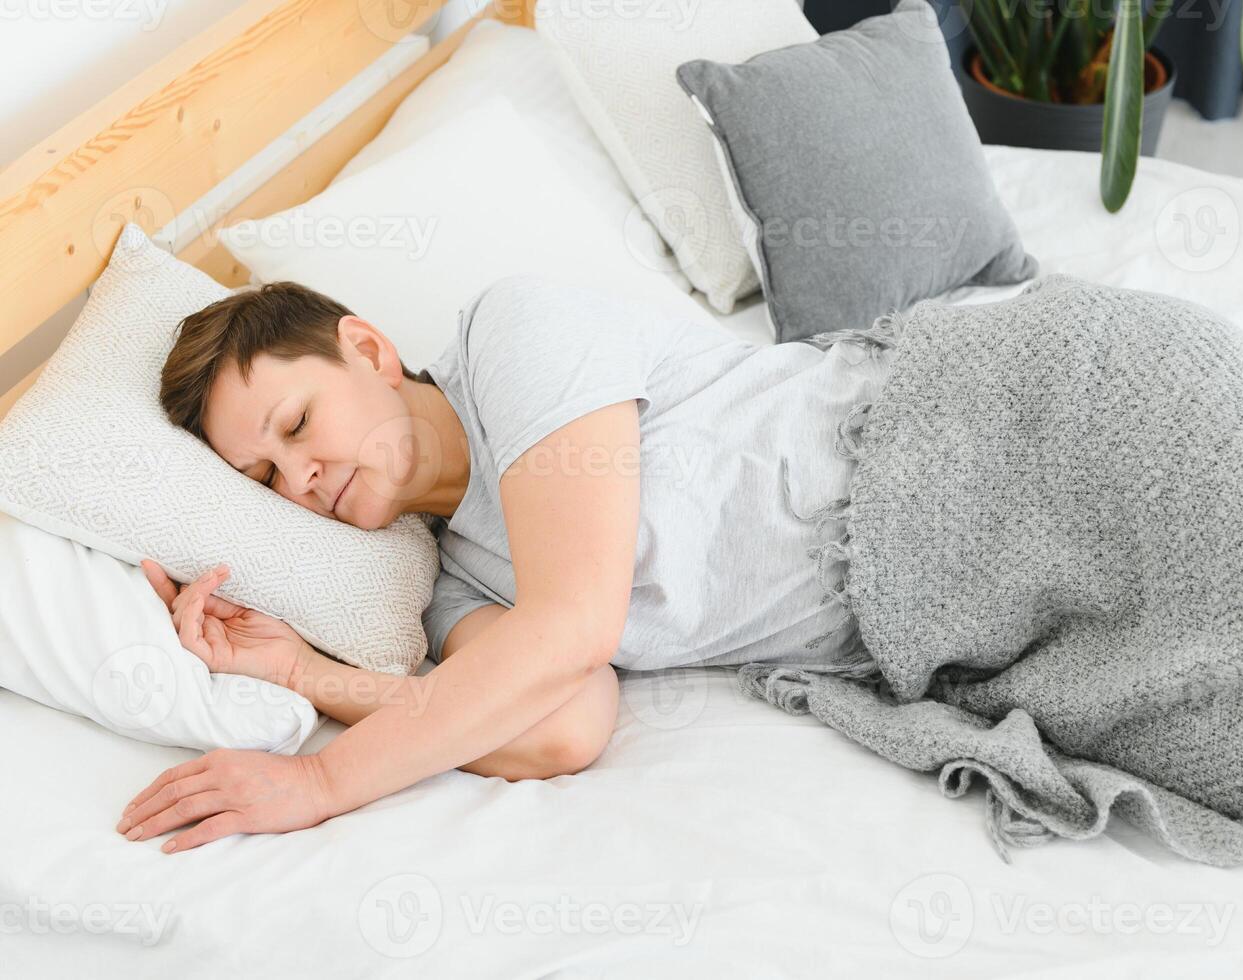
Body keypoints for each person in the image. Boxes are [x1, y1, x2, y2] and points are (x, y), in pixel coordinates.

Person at [115, 274, 892, 853]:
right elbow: (559, 730)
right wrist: (299, 672)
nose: (300, 477)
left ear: (367, 350)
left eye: (297, 422)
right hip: (933, 611)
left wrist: (322, 781)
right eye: (266, 479)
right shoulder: (454, 587)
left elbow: (576, 625)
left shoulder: (517, 335)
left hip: (940, 436)